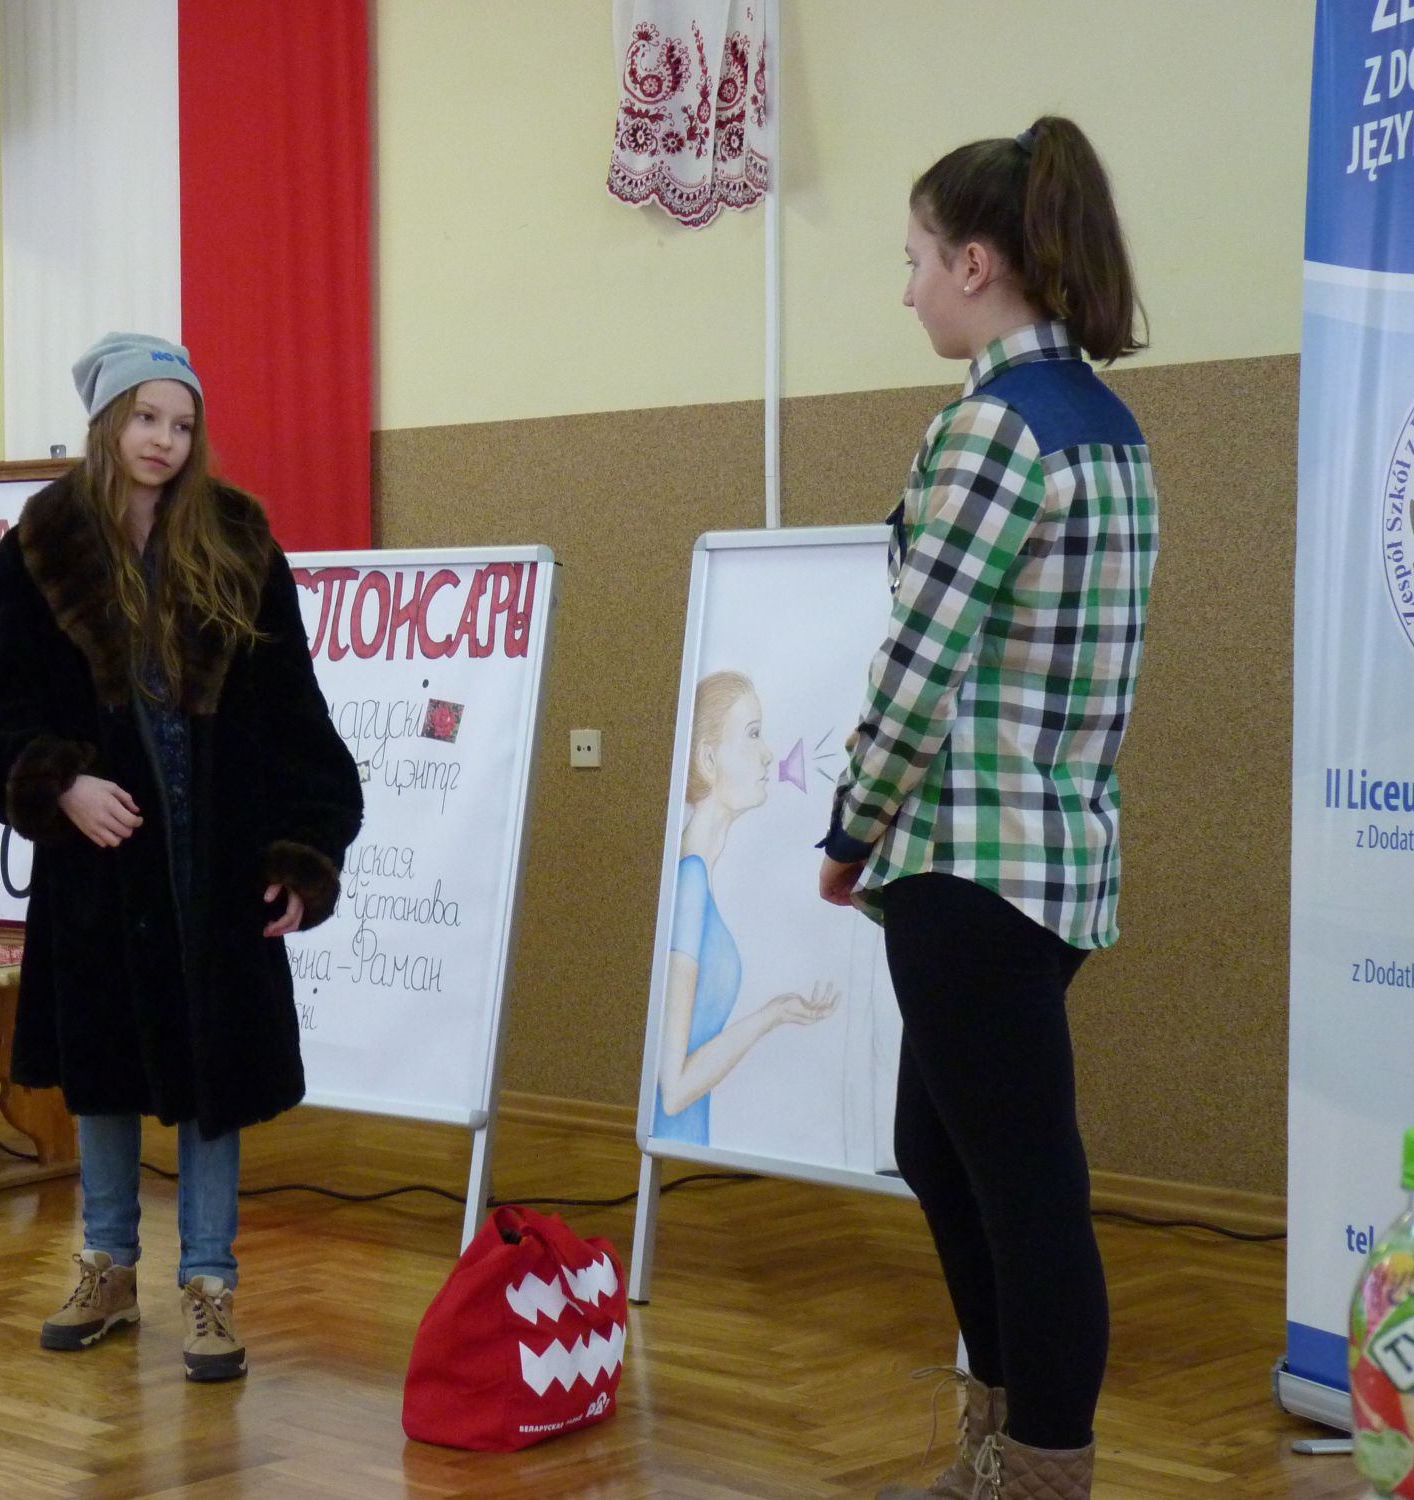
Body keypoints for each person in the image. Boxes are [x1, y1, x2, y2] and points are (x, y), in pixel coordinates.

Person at [818, 118, 1157, 1500]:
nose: (905, 290)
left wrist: (850, 827)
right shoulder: (1105, 425)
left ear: (974, 264)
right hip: (1053, 858)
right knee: (940, 1146)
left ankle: (1038, 1466)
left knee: (1022, 1185)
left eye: (912, 259)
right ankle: (1003, 1432)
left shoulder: (990, 429)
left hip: (970, 860)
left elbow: (919, 664)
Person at [0, 331, 363, 1384]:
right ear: (106, 422)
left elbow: (295, 720)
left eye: (181, 424)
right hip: (103, 866)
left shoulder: (239, 543)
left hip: (217, 865)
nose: (163, 440)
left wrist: (301, 853)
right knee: (103, 1071)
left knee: (214, 1072)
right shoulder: (37, 550)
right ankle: (107, 1269)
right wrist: (60, 786)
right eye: (145, 417)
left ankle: (210, 1286)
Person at [655, 669, 837, 1145]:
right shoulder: (690, 883)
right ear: (708, 758)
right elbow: (673, 1092)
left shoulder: (697, 877)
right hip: (678, 1130)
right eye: (753, 734)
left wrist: (776, 1012)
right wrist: (770, 1016)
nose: (769, 754)